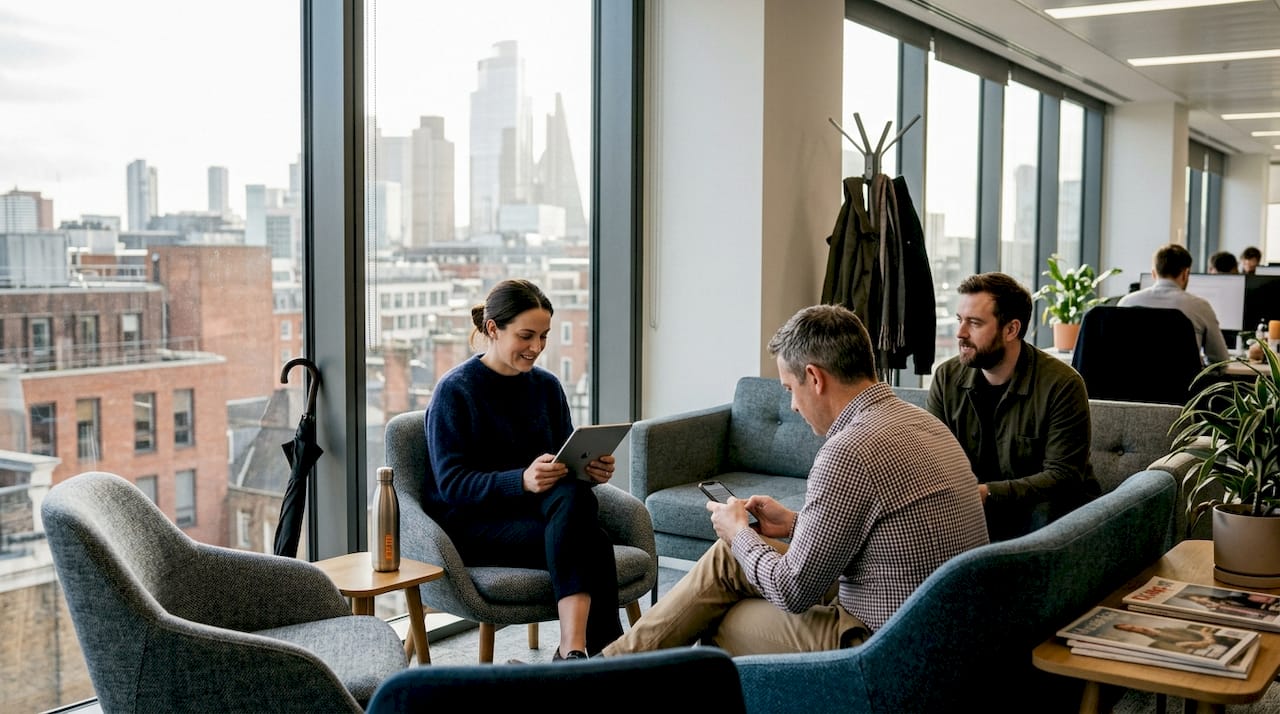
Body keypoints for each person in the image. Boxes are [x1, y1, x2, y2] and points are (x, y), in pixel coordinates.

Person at [601, 304, 989, 657]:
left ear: (814, 378)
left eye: (790, 389)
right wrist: (792, 523)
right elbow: (878, 534)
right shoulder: (923, 423)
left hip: (889, 648)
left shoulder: (848, 450)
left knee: (721, 615)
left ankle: (603, 678)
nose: (792, 405)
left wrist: (739, 532)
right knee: (727, 558)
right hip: (944, 629)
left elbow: (793, 590)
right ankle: (609, 669)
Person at [424, 278, 621, 660]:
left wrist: (590, 469)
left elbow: (563, 463)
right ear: (493, 329)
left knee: (577, 499)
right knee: (593, 541)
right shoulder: (455, 391)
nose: (537, 347)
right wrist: (522, 481)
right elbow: (452, 485)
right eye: (526, 336)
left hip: (537, 515)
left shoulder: (547, 387)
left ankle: (575, 653)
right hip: (471, 525)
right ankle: (599, 657)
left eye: (544, 336)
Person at [927, 272, 1099, 541]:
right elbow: (932, 459)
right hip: (972, 513)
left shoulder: (1062, 384)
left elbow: (1063, 477)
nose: (960, 333)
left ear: (1011, 330)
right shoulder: (946, 378)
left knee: (1045, 511)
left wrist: (987, 493)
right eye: (960, 320)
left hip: (1048, 520)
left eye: (974, 323)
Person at [1117, 243, 1230, 365]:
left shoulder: (1126, 303)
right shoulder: (1200, 306)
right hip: (1182, 378)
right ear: (1185, 274)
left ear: (1154, 274)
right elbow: (1220, 361)